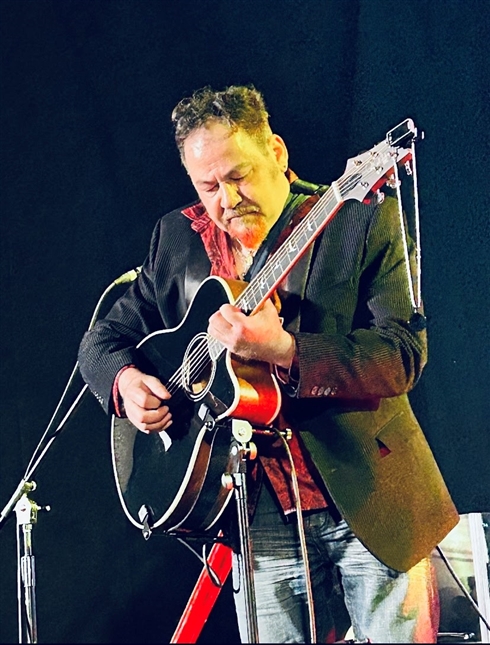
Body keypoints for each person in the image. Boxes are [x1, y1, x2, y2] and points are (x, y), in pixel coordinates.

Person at [78, 84, 459, 643]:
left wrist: (285, 350)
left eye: (239, 176)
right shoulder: (178, 238)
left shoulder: (357, 219)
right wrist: (125, 381)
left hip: (369, 493)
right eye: (209, 187)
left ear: (276, 153)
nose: (227, 200)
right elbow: (101, 340)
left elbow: (402, 355)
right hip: (257, 514)